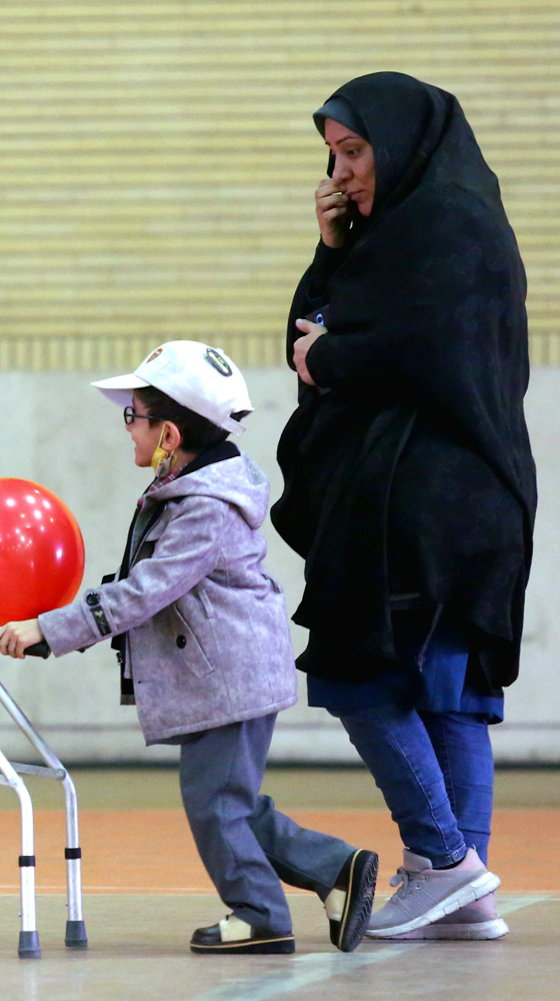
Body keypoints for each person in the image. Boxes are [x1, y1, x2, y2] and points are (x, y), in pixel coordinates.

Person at [0, 341, 379, 955]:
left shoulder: (204, 507)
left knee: (214, 804)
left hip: (230, 677)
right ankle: (335, 869)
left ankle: (259, 914)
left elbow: (145, 591)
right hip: (227, 673)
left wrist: (52, 628)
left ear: (169, 435)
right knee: (230, 801)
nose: (128, 428)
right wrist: (62, 626)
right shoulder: (188, 491)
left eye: (134, 416)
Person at [271, 72, 535, 942]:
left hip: (428, 507)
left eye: (354, 150)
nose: (340, 172)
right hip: (452, 504)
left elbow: (416, 350)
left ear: (404, 142)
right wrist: (331, 252)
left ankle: (443, 859)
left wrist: (332, 357)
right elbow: (309, 337)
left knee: (357, 674)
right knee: (448, 693)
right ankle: (466, 892)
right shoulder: (402, 234)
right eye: (332, 155)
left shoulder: (448, 226)